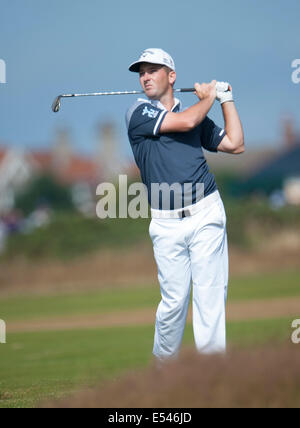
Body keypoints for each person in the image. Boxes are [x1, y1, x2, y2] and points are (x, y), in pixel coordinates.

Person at [125, 48, 244, 362]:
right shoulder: (138, 112)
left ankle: (212, 373)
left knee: (209, 296)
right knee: (174, 303)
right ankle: (164, 372)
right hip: (165, 222)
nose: (146, 77)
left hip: (206, 212)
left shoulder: (196, 113)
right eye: (142, 72)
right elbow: (187, 119)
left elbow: (236, 144)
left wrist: (225, 99)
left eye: (153, 70)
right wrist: (207, 98)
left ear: (171, 76)